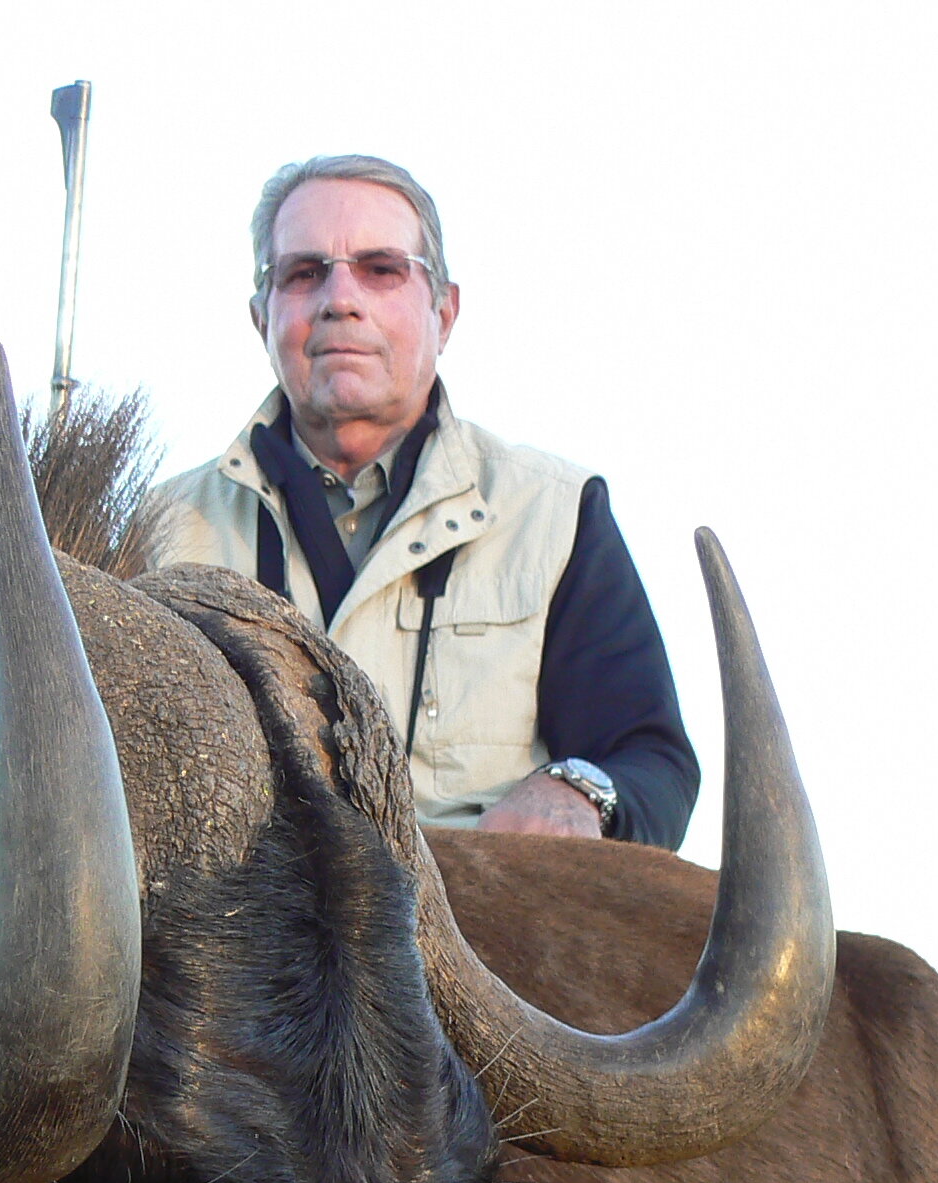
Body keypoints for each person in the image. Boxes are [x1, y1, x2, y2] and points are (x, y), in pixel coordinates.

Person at [155, 153, 698, 847]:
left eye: (381, 269)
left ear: (444, 312)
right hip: (232, 943)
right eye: (303, 273)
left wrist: (579, 792)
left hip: (482, 941)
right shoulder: (160, 533)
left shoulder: (554, 515)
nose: (339, 299)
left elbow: (652, 764)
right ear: (262, 317)